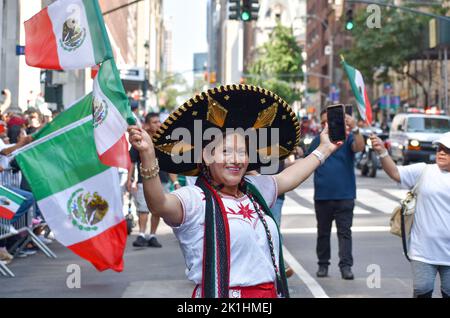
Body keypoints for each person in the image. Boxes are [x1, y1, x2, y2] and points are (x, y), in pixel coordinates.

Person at [128, 84, 340, 298]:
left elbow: (288, 178)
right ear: (206, 156)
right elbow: (159, 204)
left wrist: (325, 149)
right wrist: (147, 155)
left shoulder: (253, 191)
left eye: (242, 152)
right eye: (226, 151)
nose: (236, 160)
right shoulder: (195, 199)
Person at [370, 132, 450, 298]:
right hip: (423, 250)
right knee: (422, 290)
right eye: (439, 149)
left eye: (447, 150)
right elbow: (395, 173)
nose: (441, 152)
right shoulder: (424, 171)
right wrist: (382, 152)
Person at [306, 108, 365, 280]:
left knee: (345, 232)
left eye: (329, 121)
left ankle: (346, 267)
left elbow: (359, 147)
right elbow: (306, 162)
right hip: (322, 196)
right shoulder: (317, 140)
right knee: (323, 232)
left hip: (345, 195)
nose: (326, 125)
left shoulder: (346, 139)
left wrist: (355, 128)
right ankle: (323, 264)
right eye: (323, 122)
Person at [128, 112, 171, 248]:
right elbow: (132, 162)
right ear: (147, 125)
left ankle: (152, 236)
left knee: (157, 210)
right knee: (143, 208)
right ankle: (141, 235)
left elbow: (170, 163)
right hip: (143, 180)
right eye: (154, 122)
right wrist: (129, 179)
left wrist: (175, 182)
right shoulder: (140, 139)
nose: (158, 124)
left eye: (159, 121)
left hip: (162, 179)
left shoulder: (165, 140)